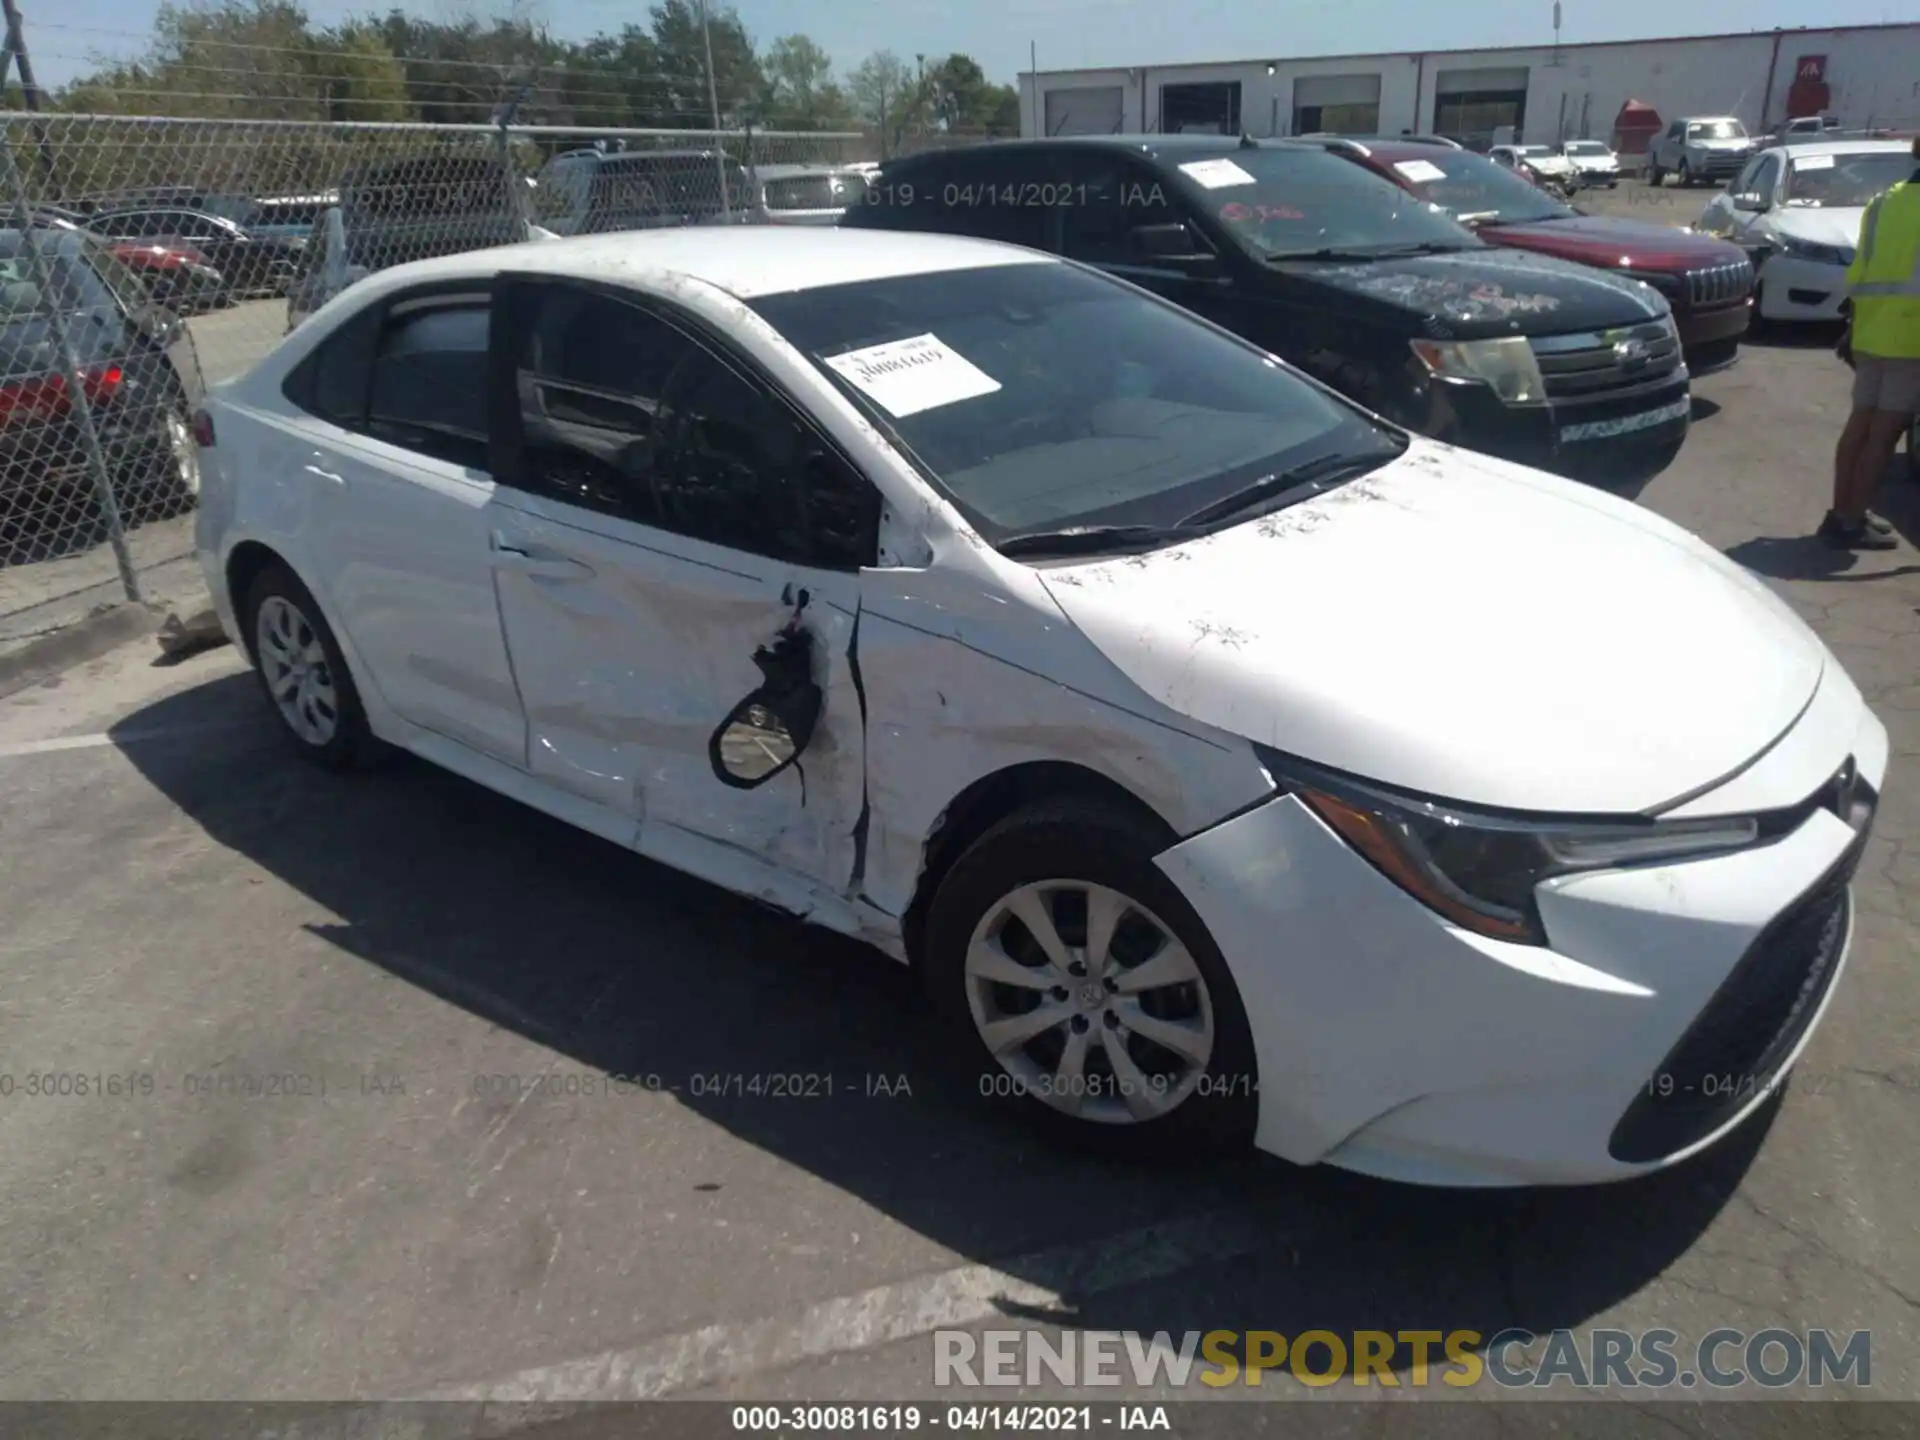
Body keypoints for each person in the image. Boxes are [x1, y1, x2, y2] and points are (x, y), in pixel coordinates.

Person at [1820, 135, 1920, 550]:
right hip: (1909, 338)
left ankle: (1842, 512)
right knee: (1882, 434)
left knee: (1860, 424)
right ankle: (1850, 521)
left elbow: (1861, 271)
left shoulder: (1885, 201)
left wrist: (1856, 325)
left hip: (1871, 330)